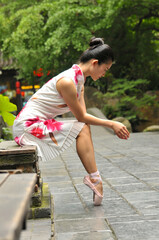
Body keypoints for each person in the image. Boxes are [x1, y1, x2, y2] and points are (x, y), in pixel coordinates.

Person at [13, 37, 130, 206]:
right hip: (27, 126)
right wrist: (111, 123)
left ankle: (95, 179)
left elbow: (81, 116)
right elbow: (82, 118)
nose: (105, 73)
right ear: (95, 63)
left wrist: (82, 93)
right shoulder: (68, 81)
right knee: (82, 127)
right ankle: (96, 179)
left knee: (83, 127)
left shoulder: (78, 80)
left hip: (34, 124)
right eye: (105, 68)